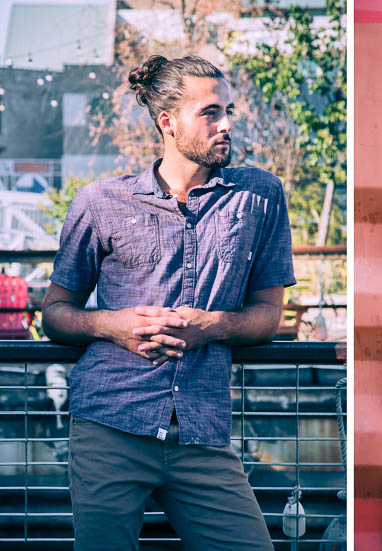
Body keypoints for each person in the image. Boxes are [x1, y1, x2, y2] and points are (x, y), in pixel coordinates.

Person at [41, 55, 295, 551]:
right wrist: (113, 325)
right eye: (210, 113)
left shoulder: (260, 196)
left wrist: (213, 325)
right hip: (109, 423)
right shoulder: (99, 202)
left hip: (202, 430)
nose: (226, 125)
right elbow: (54, 312)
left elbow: (269, 314)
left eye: (229, 111)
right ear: (168, 122)